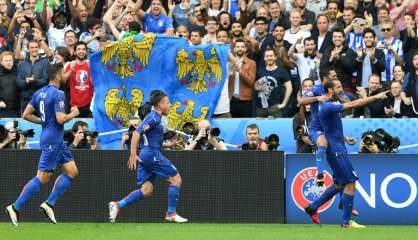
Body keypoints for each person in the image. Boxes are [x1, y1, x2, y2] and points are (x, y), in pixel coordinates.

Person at [304, 79, 388, 228]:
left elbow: (329, 129)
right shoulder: (329, 106)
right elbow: (354, 104)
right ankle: (346, 222)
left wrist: (345, 138)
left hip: (336, 148)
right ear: (329, 90)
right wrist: (375, 97)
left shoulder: (327, 107)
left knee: (338, 184)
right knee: (351, 182)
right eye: (338, 87)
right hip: (336, 151)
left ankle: (312, 207)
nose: (341, 89)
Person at [5, 63, 80, 226]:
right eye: (63, 73)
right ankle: (15, 207)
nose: (65, 75)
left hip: (52, 137)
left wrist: (43, 121)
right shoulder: (58, 93)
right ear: (58, 76)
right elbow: (61, 119)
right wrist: (73, 114)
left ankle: (49, 204)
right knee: (43, 177)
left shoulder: (40, 92)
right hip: (53, 140)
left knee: (72, 171)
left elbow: (26, 114)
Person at [109, 90, 188, 223]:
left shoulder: (156, 118)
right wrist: (132, 154)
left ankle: (117, 205)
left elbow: (151, 139)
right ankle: (171, 213)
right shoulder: (153, 117)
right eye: (168, 102)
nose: (170, 105)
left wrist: (169, 145)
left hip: (148, 154)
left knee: (147, 190)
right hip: (151, 154)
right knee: (176, 180)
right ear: (161, 104)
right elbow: (136, 133)